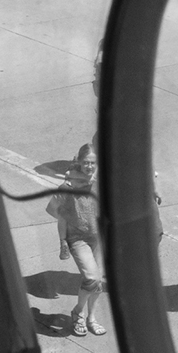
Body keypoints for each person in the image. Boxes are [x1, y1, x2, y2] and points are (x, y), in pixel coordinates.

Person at [48, 143, 105, 336]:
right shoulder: (68, 185)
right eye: (86, 162)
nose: (90, 166)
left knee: (98, 282)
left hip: (99, 236)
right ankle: (77, 312)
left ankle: (91, 318)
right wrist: (63, 239)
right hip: (77, 238)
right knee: (92, 277)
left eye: (93, 163)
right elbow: (55, 211)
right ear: (79, 162)